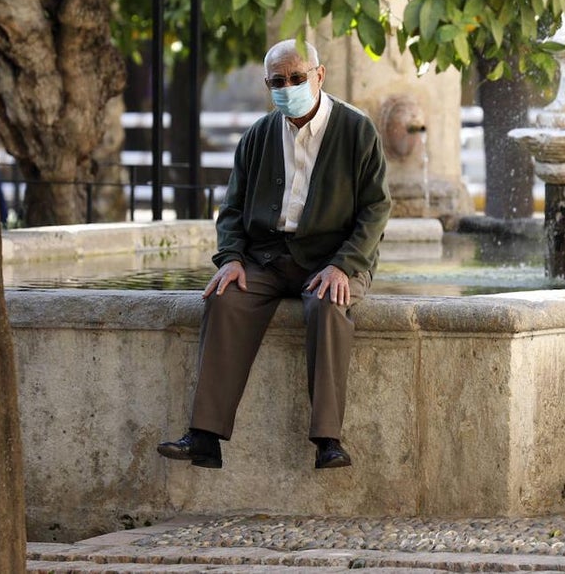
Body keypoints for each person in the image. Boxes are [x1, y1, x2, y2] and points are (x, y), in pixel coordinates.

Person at [158, 38, 391, 470]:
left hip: (334, 258)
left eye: (298, 77)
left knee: (328, 305)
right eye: (278, 81)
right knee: (224, 299)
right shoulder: (259, 135)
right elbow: (230, 209)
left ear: (319, 76)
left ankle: (328, 440)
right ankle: (204, 437)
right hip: (267, 257)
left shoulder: (358, 131)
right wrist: (229, 258)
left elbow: (376, 209)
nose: (289, 86)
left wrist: (344, 265)